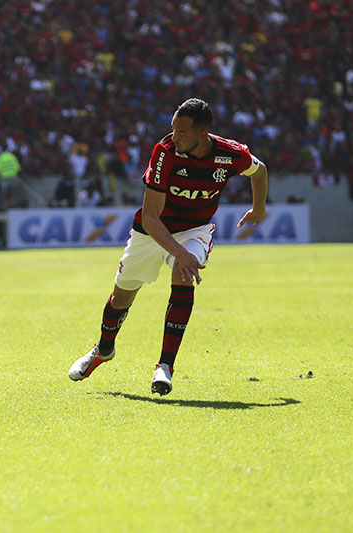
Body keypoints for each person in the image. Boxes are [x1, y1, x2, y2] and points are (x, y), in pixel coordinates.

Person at [68, 98, 269, 395]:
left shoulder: (231, 154)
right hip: (152, 232)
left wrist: (259, 209)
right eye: (173, 130)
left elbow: (260, 170)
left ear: (202, 134)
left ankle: (165, 366)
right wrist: (180, 252)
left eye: (182, 133)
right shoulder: (165, 152)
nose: (174, 137)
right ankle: (103, 349)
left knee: (183, 272)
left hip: (195, 230)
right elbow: (150, 217)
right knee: (121, 297)